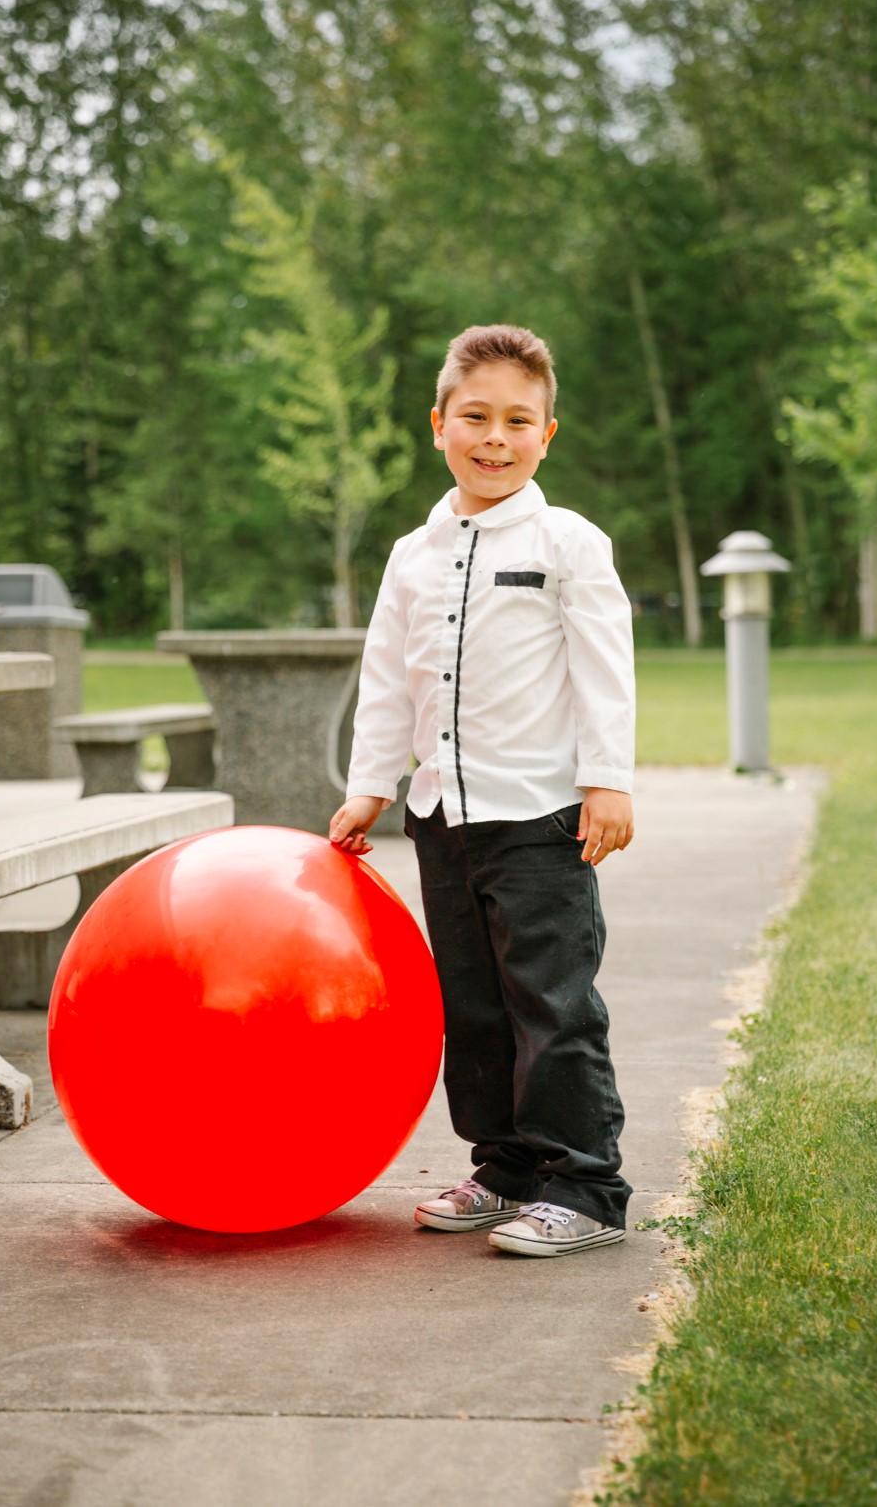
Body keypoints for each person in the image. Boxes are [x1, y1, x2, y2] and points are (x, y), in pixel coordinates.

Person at [329, 323, 634, 1257]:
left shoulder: (568, 542)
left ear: (548, 435)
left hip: (541, 820)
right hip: (442, 821)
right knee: (474, 1006)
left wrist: (608, 783)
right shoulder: (410, 555)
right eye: (475, 417)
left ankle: (585, 1187)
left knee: (552, 1005)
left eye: (517, 421)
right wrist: (370, 785)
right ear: (438, 425)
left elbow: (604, 670)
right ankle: (506, 1170)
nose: (494, 438)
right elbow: (388, 678)